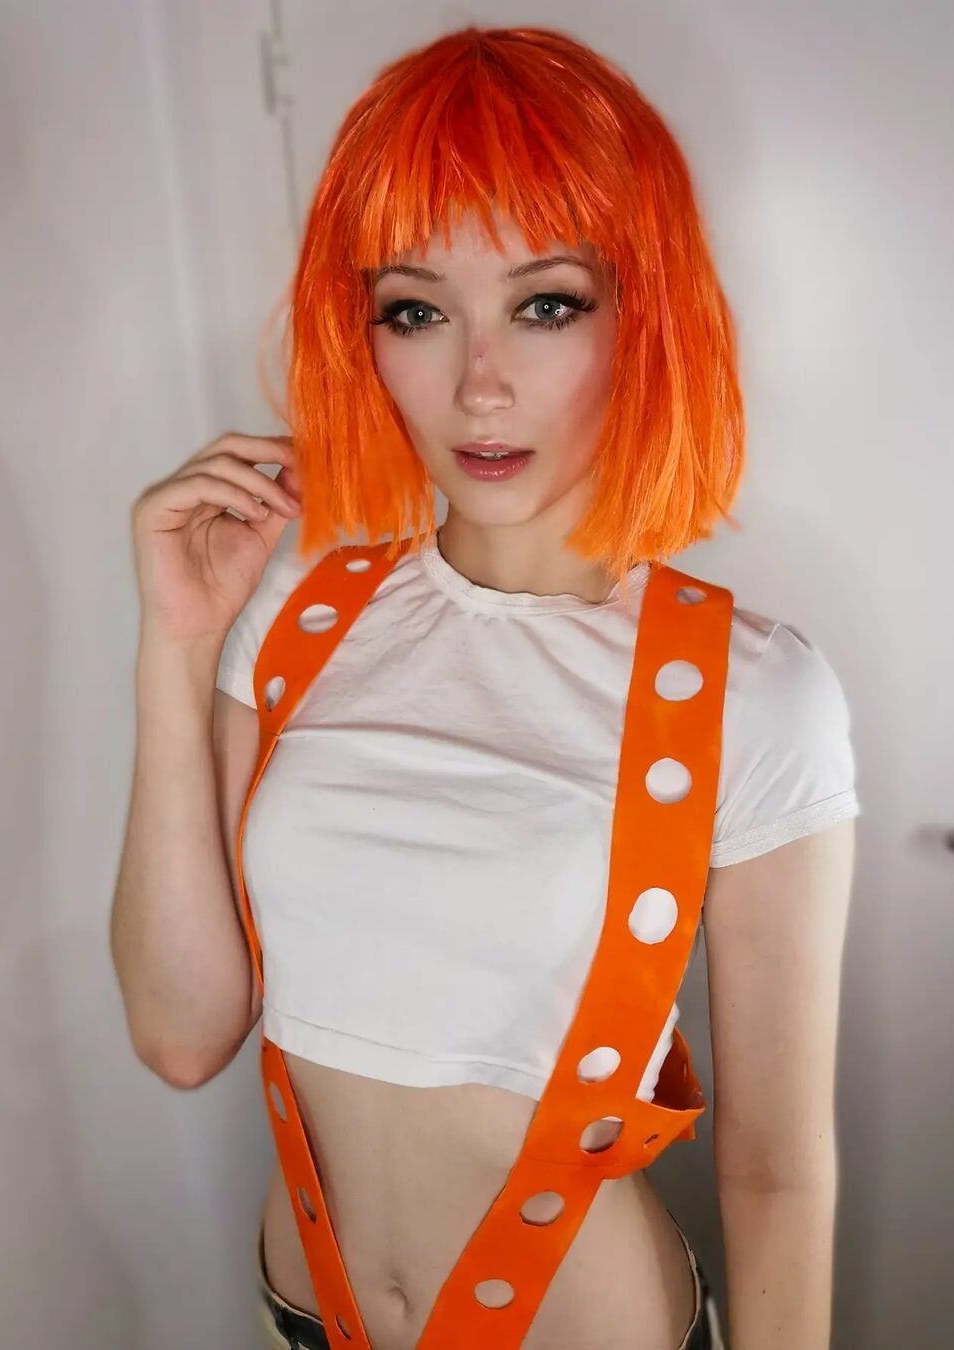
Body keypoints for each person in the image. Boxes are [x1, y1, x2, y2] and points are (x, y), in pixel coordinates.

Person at [111, 24, 859, 1350]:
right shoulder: (298, 618)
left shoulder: (753, 695)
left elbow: (776, 1168)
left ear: (645, 313)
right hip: (308, 1316)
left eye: (545, 303)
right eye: (416, 310)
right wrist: (174, 648)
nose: (479, 384)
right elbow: (181, 1034)